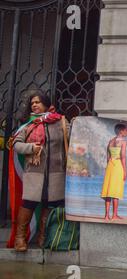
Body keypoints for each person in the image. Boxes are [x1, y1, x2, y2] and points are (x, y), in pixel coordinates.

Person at [11, 91, 69, 252]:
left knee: (51, 204)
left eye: (37, 102)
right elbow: (16, 144)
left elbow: (73, 139)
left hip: (56, 172)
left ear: (46, 103)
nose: (34, 105)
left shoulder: (61, 122)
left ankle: (43, 237)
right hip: (34, 172)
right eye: (32, 103)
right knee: (28, 203)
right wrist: (31, 147)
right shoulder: (29, 124)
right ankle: (20, 238)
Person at [101, 123, 127, 220]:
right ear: (121, 131)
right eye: (125, 130)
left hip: (110, 166)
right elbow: (123, 157)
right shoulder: (123, 142)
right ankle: (114, 215)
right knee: (115, 190)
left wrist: (109, 167)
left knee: (108, 190)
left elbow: (108, 158)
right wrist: (125, 170)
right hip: (118, 165)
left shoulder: (111, 141)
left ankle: (106, 215)